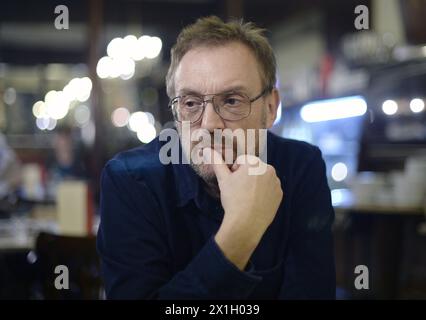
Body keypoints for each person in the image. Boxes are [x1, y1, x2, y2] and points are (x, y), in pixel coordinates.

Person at [97, 16, 336, 300]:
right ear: (176, 113)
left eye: (232, 100)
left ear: (270, 108)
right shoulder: (130, 180)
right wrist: (241, 232)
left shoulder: (300, 167)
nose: (209, 124)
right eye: (191, 103)